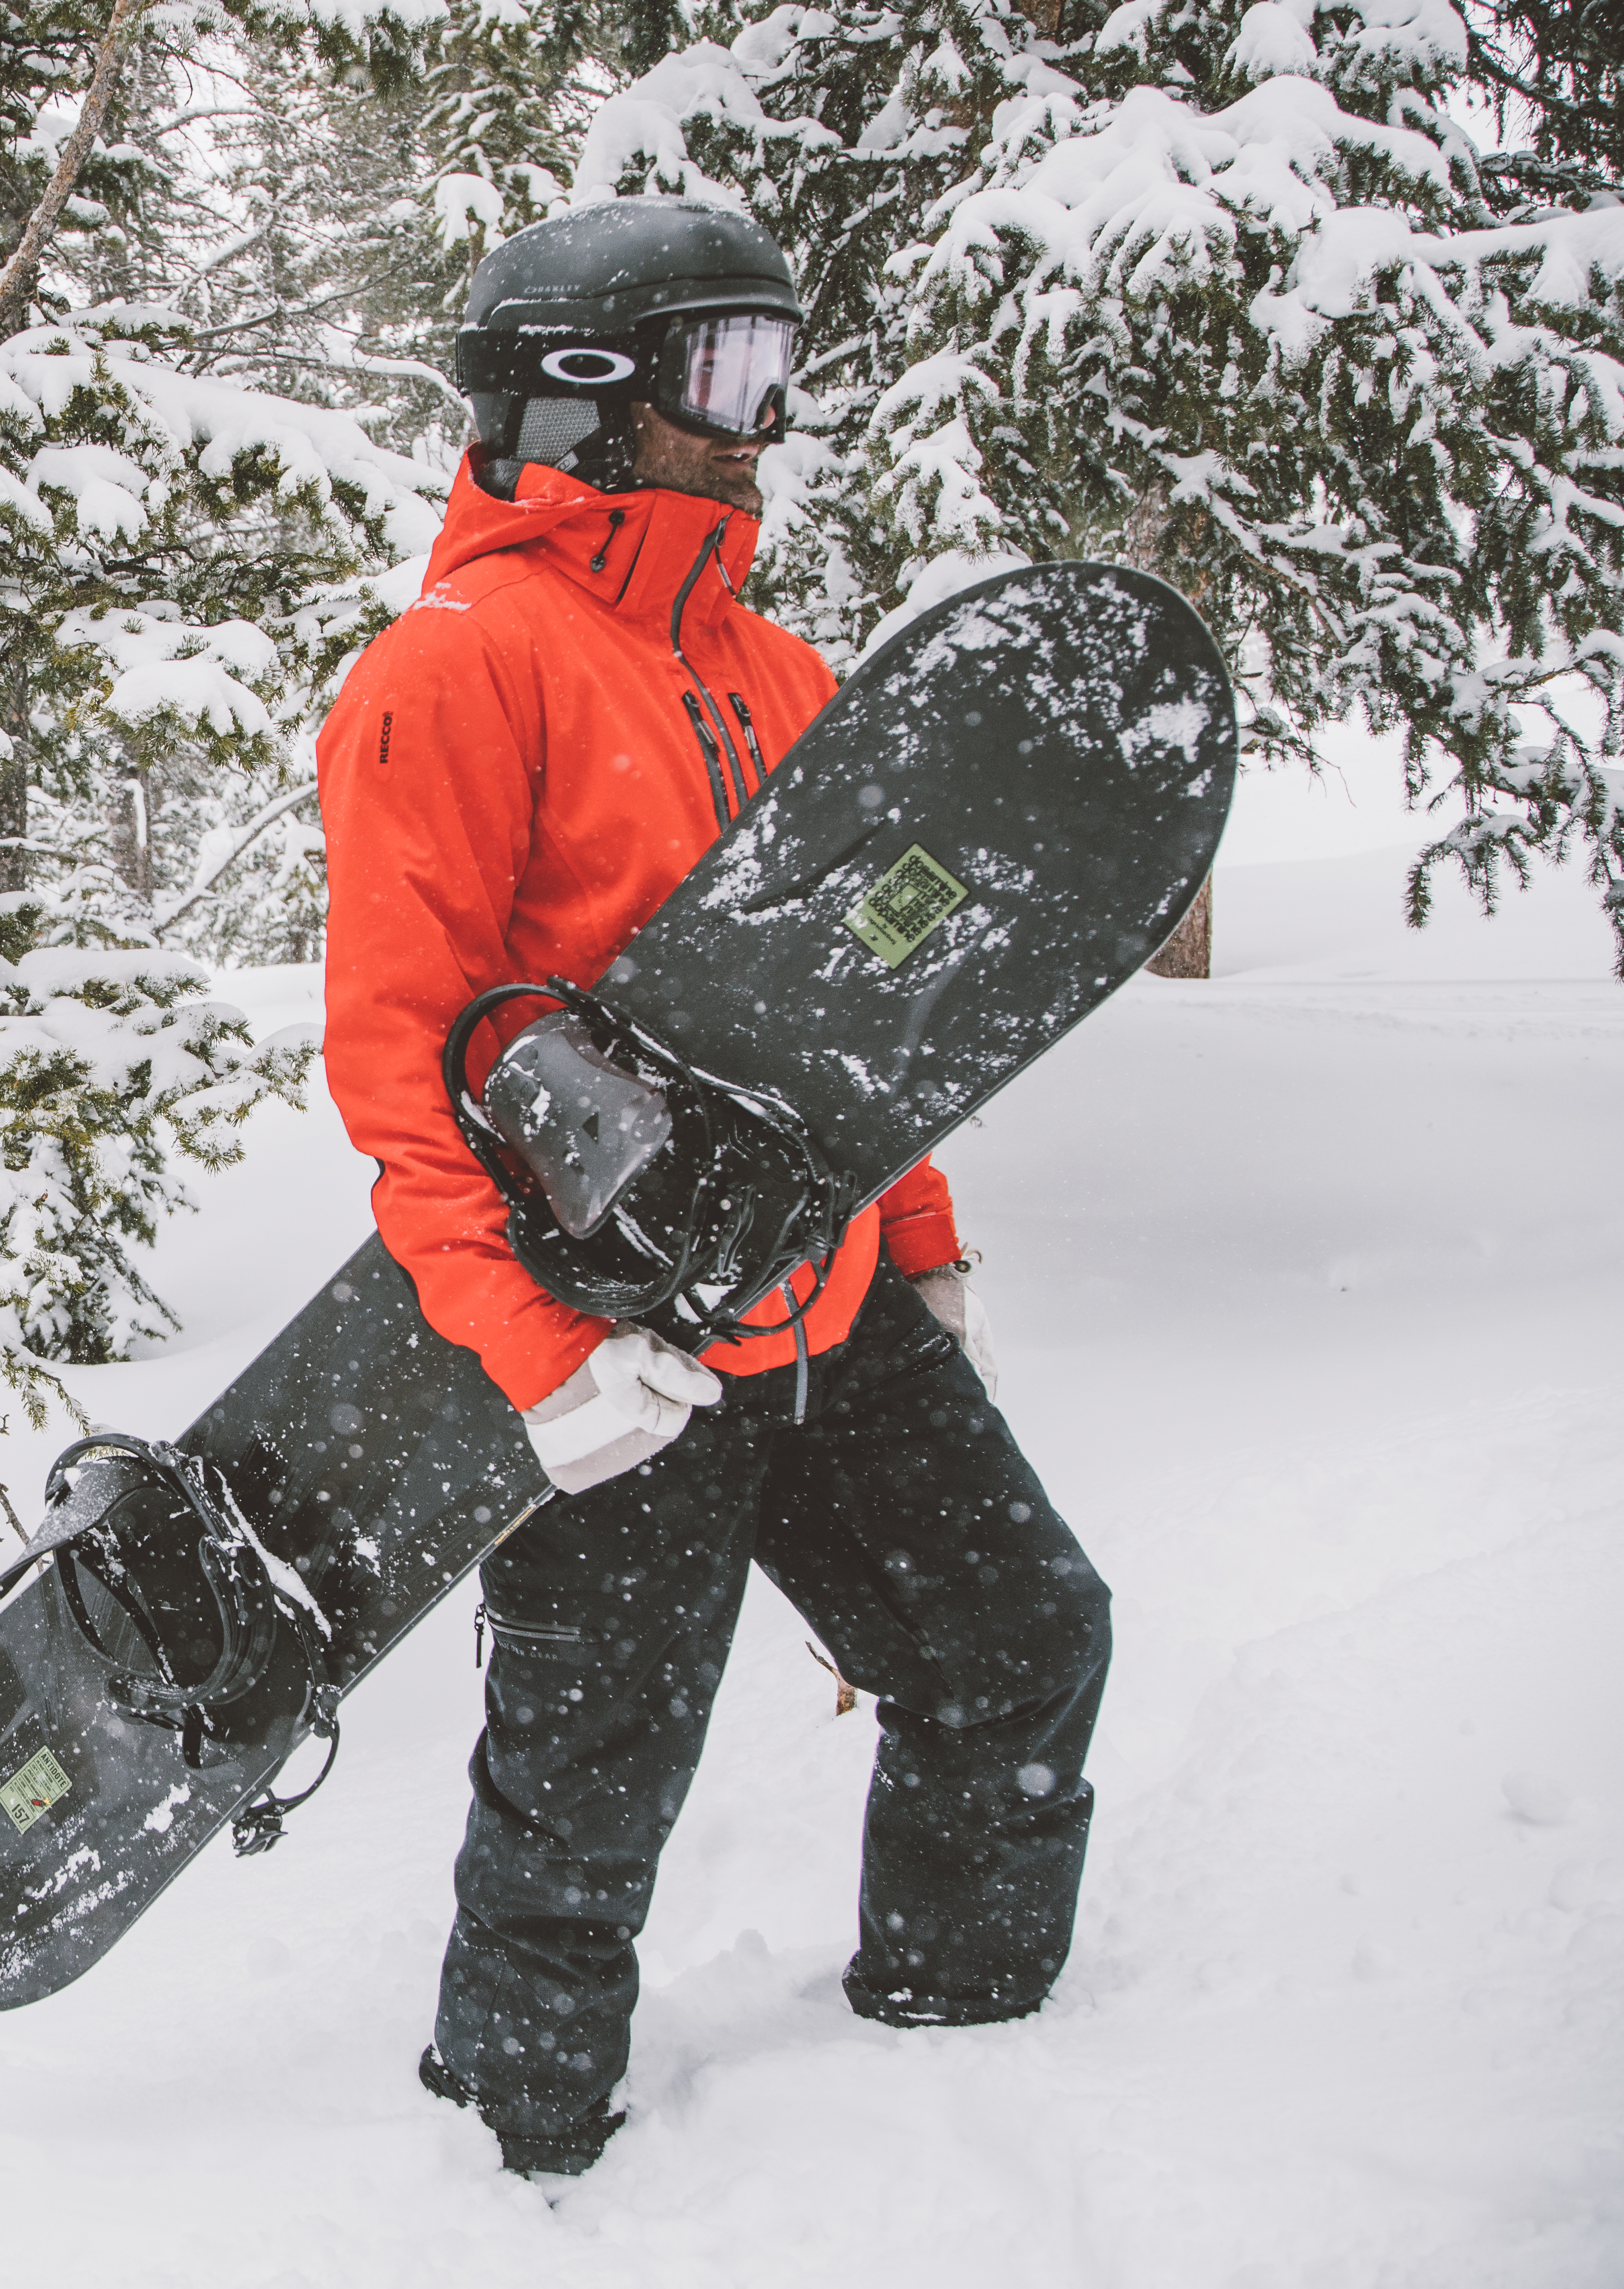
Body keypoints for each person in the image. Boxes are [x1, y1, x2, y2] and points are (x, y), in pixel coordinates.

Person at [311, 199, 1113, 2182]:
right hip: (622, 1363)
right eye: (725, 370)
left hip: (826, 1304)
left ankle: (957, 2066)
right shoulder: (455, 670)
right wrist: (536, 1356)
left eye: (778, 366)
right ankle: (507, 2174)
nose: (767, 417)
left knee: (1020, 1636)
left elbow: (858, 1027)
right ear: (587, 397)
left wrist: (917, 1251)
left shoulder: (780, 666)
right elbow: (397, 1070)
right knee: (583, 1822)